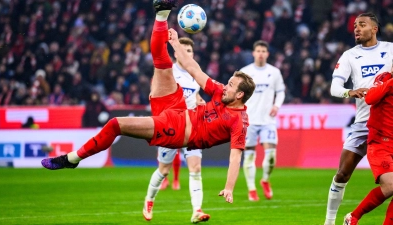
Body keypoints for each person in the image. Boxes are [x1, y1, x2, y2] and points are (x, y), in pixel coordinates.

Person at [41, 0, 255, 209]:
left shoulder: (239, 121)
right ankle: (161, 13)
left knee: (116, 124)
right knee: (162, 63)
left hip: (178, 131)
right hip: (178, 108)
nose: (225, 87)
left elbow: (235, 156)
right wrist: (175, 44)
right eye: (227, 83)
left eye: (231, 86)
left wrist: (229, 187)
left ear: (240, 94)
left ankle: (72, 158)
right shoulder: (220, 92)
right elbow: (193, 68)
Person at [325, 12, 393, 225]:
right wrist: (349, 92)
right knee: (343, 174)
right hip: (363, 123)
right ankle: (329, 221)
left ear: (375, 29)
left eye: (362, 25)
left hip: (388, 124)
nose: (356, 28)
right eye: (355, 25)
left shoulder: (390, 50)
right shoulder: (349, 56)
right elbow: (334, 88)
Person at [144, 37, 210, 223]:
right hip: (171, 127)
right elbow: (155, 92)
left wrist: (199, 101)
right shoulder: (168, 72)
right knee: (163, 170)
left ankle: (197, 210)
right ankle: (149, 200)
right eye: (183, 50)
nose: (187, 53)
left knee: (195, 168)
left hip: (192, 127)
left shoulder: (196, 74)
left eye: (189, 51)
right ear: (176, 52)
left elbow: (195, 95)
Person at [343, 71, 393, 225]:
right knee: (391, 185)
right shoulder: (385, 79)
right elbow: (370, 98)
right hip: (380, 143)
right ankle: (353, 216)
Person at [239, 40, 285, 201]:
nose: (260, 53)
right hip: (248, 120)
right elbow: (237, 94)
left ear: (267, 54)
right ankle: (252, 189)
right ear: (253, 53)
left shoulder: (274, 72)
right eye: (258, 50)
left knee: (271, 156)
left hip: (268, 120)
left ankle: (265, 180)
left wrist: (277, 106)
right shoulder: (244, 73)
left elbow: (280, 92)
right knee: (249, 156)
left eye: (263, 51)